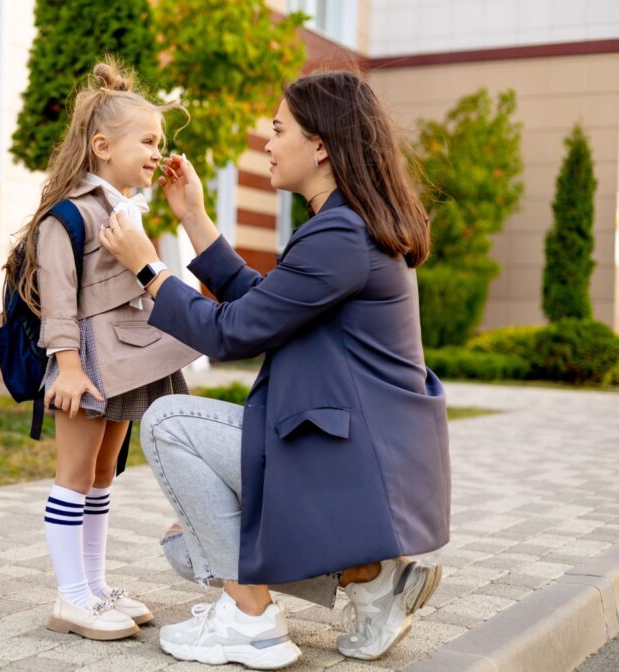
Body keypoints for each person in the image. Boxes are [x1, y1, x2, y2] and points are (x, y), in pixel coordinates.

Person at [99, 70, 450, 668]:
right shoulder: (347, 226)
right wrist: (193, 218)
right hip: (353, 457)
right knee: (188, 548)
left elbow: (233, 332)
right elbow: (265, 304)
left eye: (278, 129)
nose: (267, 142)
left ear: (320, 145)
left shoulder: (341, 233)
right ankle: (371, 581)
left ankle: (251, 621)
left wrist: (148, 269)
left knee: (166, 422)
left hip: (347, 462)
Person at [2, 59, 200, 641]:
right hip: (87, 365)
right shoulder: (68, 217)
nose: (156, 151)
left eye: (160, 142)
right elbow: (60, 301)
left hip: (126, 360)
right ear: (102, 145)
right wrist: (65, 367)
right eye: (147, 140)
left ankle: (94, 587)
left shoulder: (123, 210)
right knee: (73, 475)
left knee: (102, 477)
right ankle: (71, 598)